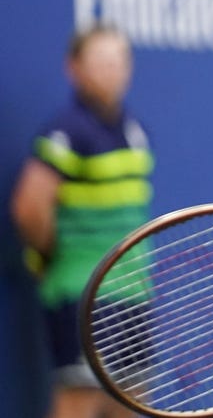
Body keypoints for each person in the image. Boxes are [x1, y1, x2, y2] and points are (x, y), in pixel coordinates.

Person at [10, 24, 155, 418]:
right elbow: (29, 208)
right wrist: (57, 258)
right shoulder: (66, 131)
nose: (112, 70)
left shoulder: (133, 130)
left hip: (132, 291)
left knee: (131, 399)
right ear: (74, 68)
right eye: (100, 61)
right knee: (79, 400)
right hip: (83, 289)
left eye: (119, 60)